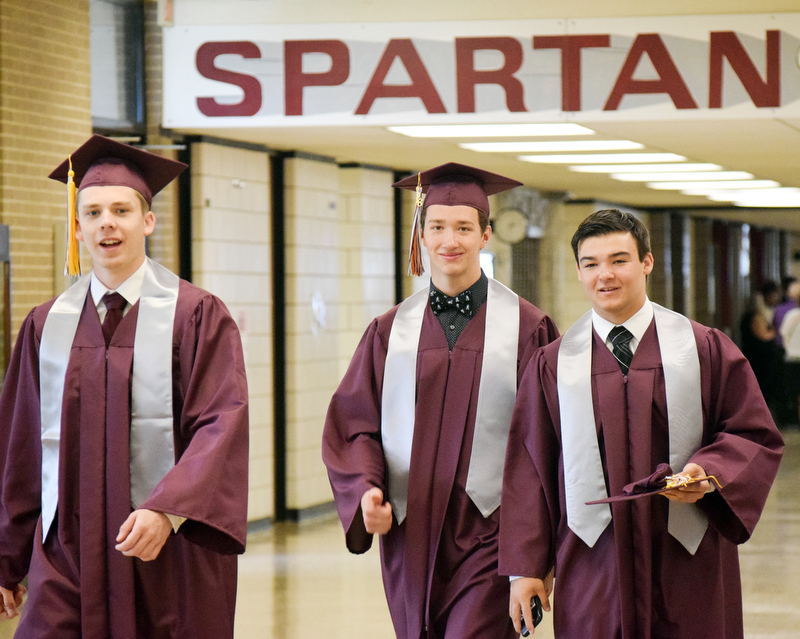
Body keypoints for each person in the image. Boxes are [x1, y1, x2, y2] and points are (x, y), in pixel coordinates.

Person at [0, 135, 249, 638]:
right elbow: (20, 442)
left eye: (120, 210)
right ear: (78, 229)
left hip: (167, 552)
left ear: (147, 221)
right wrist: (6, 556)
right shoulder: (46, 325)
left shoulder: (196, 316)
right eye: (91, 213)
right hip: (68, 552)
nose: (106, 223)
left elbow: (220, 426)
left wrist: (168, 508)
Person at [500, 209, 783, 639]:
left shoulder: (704, 348)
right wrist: (525, 567)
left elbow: (751, 432)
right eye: (590, 264)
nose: (605, 275)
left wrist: (709, 472)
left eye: (619, 260)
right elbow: (528, 466)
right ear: (577, 272)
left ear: (646, 262)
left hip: (685, 555)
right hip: (593, 559)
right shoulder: (553, 364)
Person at [322, 163, 558, 639]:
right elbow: (355, 425)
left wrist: (532, 554)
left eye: (465, 228)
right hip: (412, 530)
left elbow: (545, 441)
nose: (451, 240)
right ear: (422, 236)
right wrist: (367, 489)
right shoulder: (389, 331)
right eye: (438, 227)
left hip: (493, 529)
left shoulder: (527, 328)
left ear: (485, 235)